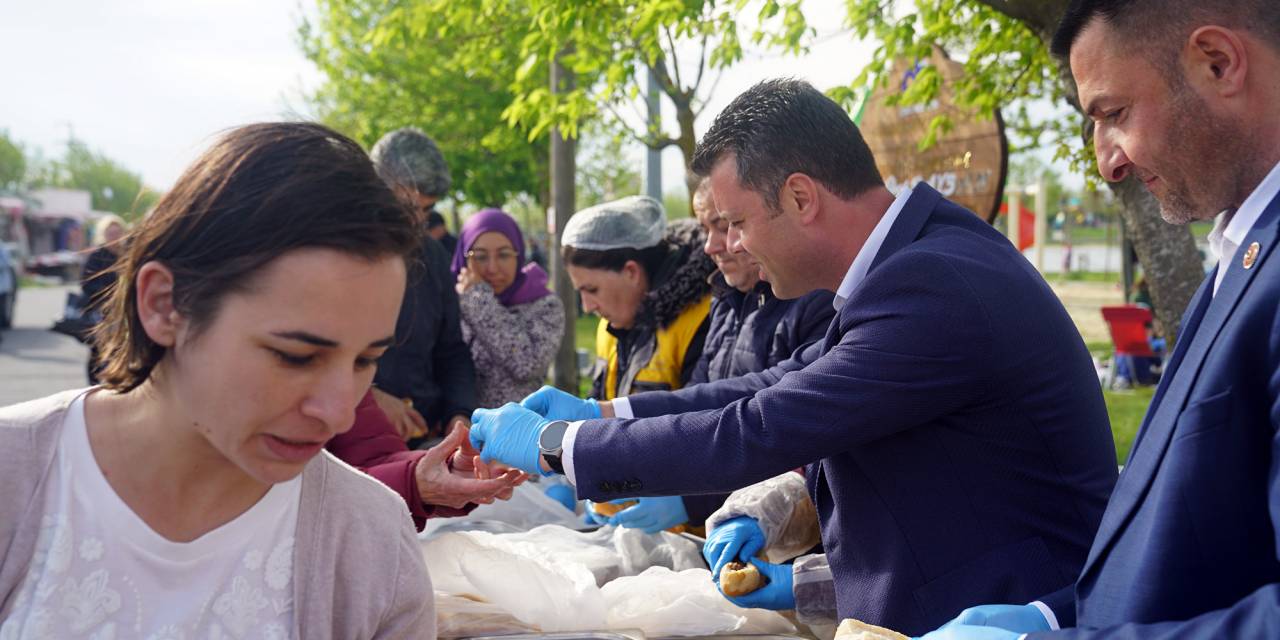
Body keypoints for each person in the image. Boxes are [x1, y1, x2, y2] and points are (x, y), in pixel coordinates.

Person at [471, 79, 1119, 636]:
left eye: (738, 221)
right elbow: (780, 384)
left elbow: (762, 427)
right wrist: (606, 410)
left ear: (802, 198)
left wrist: (564, 445)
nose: (732, 246)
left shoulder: (933, 284)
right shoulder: (915, 263)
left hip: (999, 615)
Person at [918, 1, 1280, 638]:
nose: (1106, 161)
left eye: (1114, 115)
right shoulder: (1239, 254)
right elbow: (1191, 548)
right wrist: (1053, 616)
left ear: (1218, 63)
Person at [0, 123, 434, 637]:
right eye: (295, 357)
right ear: (164, 304)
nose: (339, 412)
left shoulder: (372, 544)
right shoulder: (17, 478)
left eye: (366, 361)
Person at [369, 127, 476, 441]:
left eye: (426, 210)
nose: (416, 220)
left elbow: (452, 351)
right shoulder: (338, 255)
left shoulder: (433, 257)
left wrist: (459, 413)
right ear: (375, 188)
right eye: (406, 206)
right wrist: (368, 398)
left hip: (424, 437)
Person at [566, 196, 714, 401]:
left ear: (631, 272)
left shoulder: (701, 321)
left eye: (592, 289)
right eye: (579, 292)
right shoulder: (609, 326)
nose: (587, 306)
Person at [688, 177, 835, 384]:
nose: (710, 247)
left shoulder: (816, 301)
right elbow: (696, 389)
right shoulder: (724, 301)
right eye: (704, 230)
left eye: (728, 225)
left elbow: (777, 401)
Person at [451, 208, 564, 408]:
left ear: (518, 255)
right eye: (480, 256)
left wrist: (478, 298)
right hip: (454, 429)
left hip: (518, 431)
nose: (492, 268)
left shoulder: (545, 305)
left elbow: (526, 364)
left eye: (503, 255)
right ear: (464, 257)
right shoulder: (450, 301)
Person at [81, 214, 127, 383]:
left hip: (124, 311)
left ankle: (118, 382)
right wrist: (107, 294)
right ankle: (92, 385)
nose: (114, 236)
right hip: (101, 313)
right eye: (110, 233)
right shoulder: (97, 256)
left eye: (117, 232)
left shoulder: (127, 254)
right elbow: (86, 283)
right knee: (98, 350)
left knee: (122, 349)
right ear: (103, 234)